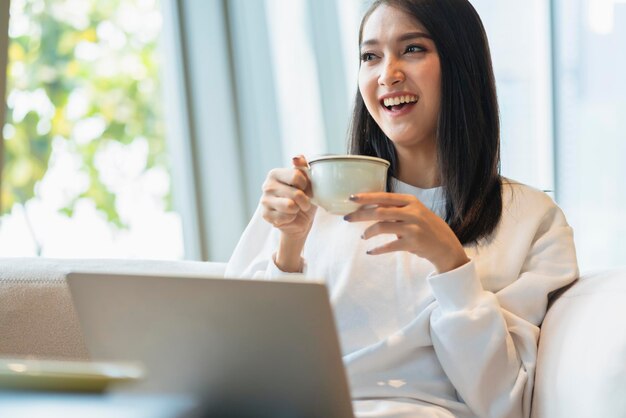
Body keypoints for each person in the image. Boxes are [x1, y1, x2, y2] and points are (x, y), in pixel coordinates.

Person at [225, 0, 578, 416]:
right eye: (370, 56)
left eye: (412, 49)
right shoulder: (306, 202)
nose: (388, 74)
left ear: (461, 65)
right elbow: (243, 373)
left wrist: (450, 264)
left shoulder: (532, 220)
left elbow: (505, 403)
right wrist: (288, 249)